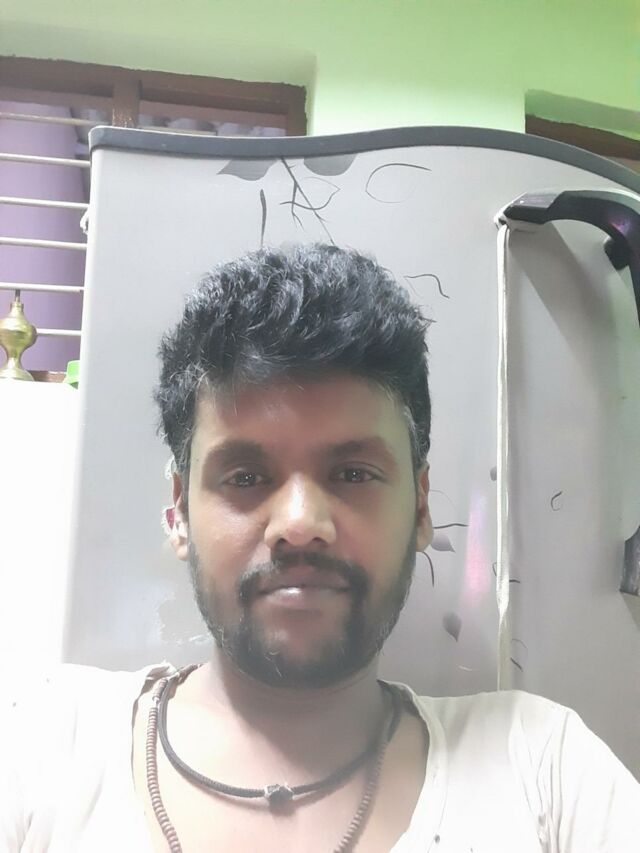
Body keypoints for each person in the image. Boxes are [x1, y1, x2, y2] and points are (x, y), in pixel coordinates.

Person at [2, 243, 639, 853]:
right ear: (179, 513)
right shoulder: (42, 746)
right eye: (245, 478)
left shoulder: (547, 772)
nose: (301, 524)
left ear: (420, 506)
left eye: (353, 474)